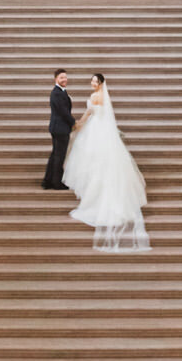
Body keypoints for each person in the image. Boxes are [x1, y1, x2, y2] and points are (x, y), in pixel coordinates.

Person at [64, 73, 149, 250]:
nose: (92, 83)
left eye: (95, 81)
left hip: (95, 130)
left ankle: (95, 195)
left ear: (100, 84)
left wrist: (79, 123)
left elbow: (89, 113)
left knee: (93, 161)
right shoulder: (104, 97)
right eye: (92, 81)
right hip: (104, 131)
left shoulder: (95, 96)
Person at [42, 68, 73, 190]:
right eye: (61, 77)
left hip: (58, 127)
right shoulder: (56, 93)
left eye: (65, 77)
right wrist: (74, 123)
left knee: (55, 155)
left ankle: (47, 181)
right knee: (59, 156)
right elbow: (63, 112)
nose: (64, 79)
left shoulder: (60, 91)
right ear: (56, 79)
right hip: (60, 129)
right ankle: (56, 182)